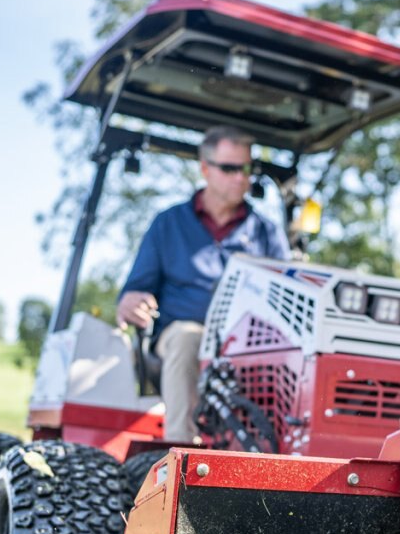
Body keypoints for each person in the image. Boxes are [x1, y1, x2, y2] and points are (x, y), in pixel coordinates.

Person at [116, 125, 289, 442]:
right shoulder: (168, 224)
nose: (241, 177)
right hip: (179, 336)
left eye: (247, 169)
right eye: (230, 168)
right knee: (187, 337)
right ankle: (181, 450)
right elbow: (136, 288)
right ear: (205, 169)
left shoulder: (267, 232)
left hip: (249, 347)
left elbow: (287, 298)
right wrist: (131, 301)